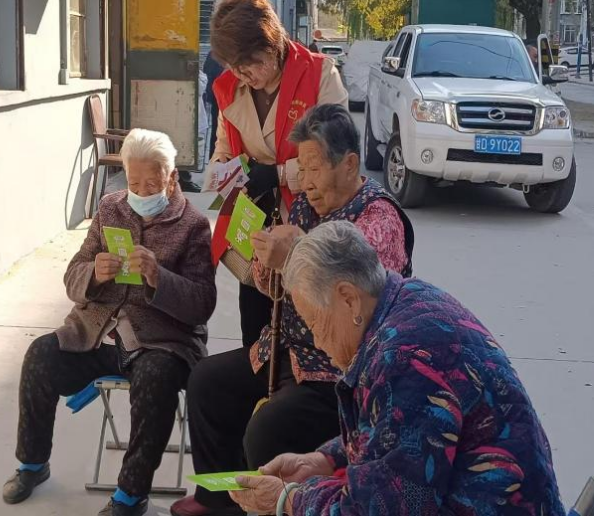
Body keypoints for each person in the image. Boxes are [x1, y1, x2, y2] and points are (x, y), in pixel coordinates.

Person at [171, 104, 414, 516]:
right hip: (284, 348)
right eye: (301, 169)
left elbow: (356, 295)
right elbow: (276, 288)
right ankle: (219, 501)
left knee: (267, 430)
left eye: (315, 168)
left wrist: (295, 251)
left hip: (335, 365)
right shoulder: (303, 206)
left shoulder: (379, 217)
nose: (307, 181)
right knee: (208, 382)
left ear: (349, 164)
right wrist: (266, 259)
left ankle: (269, 503)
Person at [229, 221, 565, 516]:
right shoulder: (406, 296)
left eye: (315, 322)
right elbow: (396, 438)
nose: (317, 341)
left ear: (348, 299)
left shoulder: (405, 360)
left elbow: (382, 508)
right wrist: (326, 460)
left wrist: (289, 499)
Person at [3, 129, 217, 516]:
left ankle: (131, 494)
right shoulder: (109, 209)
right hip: (97, 333)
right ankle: (32, 463)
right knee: (40, 355)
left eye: (152, 183)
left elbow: (202, 304)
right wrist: (94, 273)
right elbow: (72, 277)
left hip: (161, 341)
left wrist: (159, 278)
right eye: (134, 183)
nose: (142, 192)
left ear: (171, 178)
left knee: (156, 379)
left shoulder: (193, 225)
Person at [206, 0, 349, 347]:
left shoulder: (318, 74)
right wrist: (224, 171)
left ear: (271, 44)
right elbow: (223, 146)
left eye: (249, 64)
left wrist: (280, 173)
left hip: (309, 224)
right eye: (234, 67)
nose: (243, 74)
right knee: (255, 334)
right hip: (255, 228)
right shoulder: (230, 87)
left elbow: (336, 154)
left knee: (310, 334)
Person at [201, 52, 225, 159]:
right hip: (221, 98)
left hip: (218, 98)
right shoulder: (214, 56)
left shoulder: (214, 54)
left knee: (217, 132)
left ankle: (214, 160)